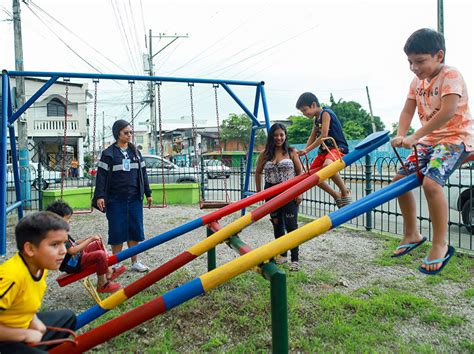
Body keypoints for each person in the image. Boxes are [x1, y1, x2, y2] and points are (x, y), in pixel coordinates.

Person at [391, 28, 473, 275]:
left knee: (431, 184)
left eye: (419, 61)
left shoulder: (451, 75)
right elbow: (407, 111)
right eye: (410, 62)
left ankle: (441, 244)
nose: (414, 67)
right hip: (428, 141)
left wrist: (415, 136)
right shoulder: (416, 82)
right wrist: (401, 133)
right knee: (399, 181)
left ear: (439, 55)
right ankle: (412, 233)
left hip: (455, 138)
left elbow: (448, 112)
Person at [0, 212, 77, 353]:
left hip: (20, 325)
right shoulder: (10, 277)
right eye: (55, 245)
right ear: (30, 249)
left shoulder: (40, 267)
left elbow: (23, 303)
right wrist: (24, 334)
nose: (64, 251)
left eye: (64, 243)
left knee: (68, 317)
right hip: (4, 340)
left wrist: (33, 320)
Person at [94, 119, 152, 272]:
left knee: (134, 229)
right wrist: (100, 196)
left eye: (131, 132)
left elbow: (143, 174)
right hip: (115, 199)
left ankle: (135, 262)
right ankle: (116, 262)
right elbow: (101, 177)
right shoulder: (108, 154)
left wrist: (148, 193)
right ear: (117, 134)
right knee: (117, 230)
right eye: (126, 133)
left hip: (134, 198)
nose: (129, 135)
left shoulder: (135, 152)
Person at [46, 200, 126, 293]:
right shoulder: (58, 235)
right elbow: (72, 251)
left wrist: (90, 238)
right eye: (67, 219)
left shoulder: (62, 231)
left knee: (97, 244)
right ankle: (102, 284)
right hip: (73, 264)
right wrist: (90, 240)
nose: (69, 221)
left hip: (77, 258)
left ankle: (108, 272)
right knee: (100, 255)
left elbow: (74, 244)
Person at [255, 123, 304, 271]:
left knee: (291, 225)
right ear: (271, 137)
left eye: (281, 135)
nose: (279, 138)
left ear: (285, 136)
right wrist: (259, 194)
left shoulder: (291, 152)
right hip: (270, 192)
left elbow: (300, 172)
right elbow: (257, 173)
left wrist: (299, 192)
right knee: (276, 223)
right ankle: (282, 255)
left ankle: (295, 259)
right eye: (276, 135)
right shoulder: (265, 154)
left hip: (289, 192)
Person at [295, 92, 352, 208]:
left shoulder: (325, 113)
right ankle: (335, 194)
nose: (304, 114)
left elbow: (323, 136)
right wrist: (304, 149)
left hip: (337, 147)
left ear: (314, 105)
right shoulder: (316, 120)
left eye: (305, 110)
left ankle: (344, 190)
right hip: (325, 150)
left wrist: (307, 150)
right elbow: (312, 136)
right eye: (302, 112)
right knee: (312, 177)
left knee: (327, 166)